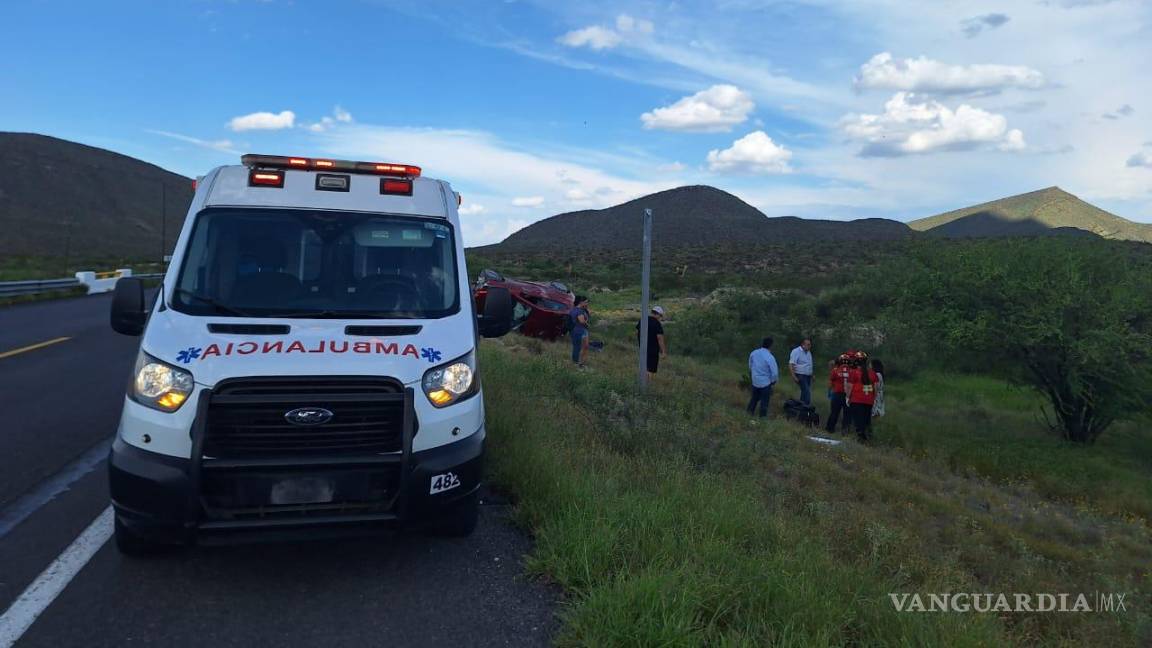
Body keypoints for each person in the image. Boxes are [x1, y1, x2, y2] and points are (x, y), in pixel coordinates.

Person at [846, 352, 880, 442]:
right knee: (866, 420)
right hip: (869, 401)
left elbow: (849, 387)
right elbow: (876, 389)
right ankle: (869, 437)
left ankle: (862, 438)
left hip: (856, 400)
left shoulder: (853, 373)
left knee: (858, 421)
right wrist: (873, 398)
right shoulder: (873, 374)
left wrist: (848, 398)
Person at [747, 337, 779, 418]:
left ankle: (748, 414)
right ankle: (762, 418)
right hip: (765, 383)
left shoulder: (754, 353)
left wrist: (752, 375)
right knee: (764, 402)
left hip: (755, 380)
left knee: (754, 399)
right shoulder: (770, 357)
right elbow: (774, 373)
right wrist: (773, 381)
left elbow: (750, 366)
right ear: (771, 346)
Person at [635, 305, 667, 379]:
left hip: (642, 349)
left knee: (643, 367)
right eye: (661, 316)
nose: (660, 318)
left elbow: (636, 332)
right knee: (650, 370)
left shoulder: (642, 320)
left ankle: (641, 383)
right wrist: (663, 351)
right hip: (653, 350)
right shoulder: (657, 324)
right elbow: (660, 338)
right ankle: (646, 387)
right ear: (658, 314)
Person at [825, 352, 852, 434]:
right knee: (847, 414)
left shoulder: (835, 370)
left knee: (834, 413)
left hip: (837, 394)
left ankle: (829, 429)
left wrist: (829, 391)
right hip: (848, 395)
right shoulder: (852, 371)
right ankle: (845, 431)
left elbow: (830, 382)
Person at [788, 338, 814, 406]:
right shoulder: (796, 351)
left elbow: (809, 364)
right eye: (808, 344)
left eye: (810, 344)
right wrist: (794, 376)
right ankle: (806, 407)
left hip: (807, 375)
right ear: (803, 345)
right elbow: (791, 364)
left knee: (804, 392)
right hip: (800, 375)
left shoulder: (809, 353)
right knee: (807, 392)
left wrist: (812, 375)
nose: (809, 346)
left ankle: (801, 408)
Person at [568, 295, 590, 367]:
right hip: (578, 330)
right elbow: (582, 321)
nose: (587, 304)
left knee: (584, 347)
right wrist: (587, 325)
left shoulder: (576, 309)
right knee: (577, 347)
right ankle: (576, 363)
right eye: (586, 302)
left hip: (580, 330)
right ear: (581, 302)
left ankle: (581, 363)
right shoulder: (579, 311)